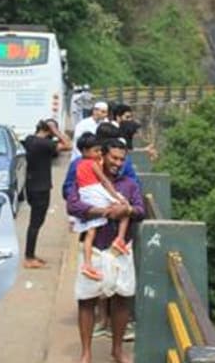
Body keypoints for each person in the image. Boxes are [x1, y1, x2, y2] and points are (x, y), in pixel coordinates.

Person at [67, 138, 144, 363]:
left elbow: (140, 210)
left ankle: (117, 350)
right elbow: (72, 205)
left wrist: (126, 209)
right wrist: (103, 211)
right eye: (114, 158)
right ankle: (86, 353)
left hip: (120, 249)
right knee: (86, 299)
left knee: (122, 298)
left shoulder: (129, 184)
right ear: (102, 156)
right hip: (93, 248)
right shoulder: (85, 180)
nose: (118, 163)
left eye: (122, 159)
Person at [69, 134, 131, 280]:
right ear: (85, 151)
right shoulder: (93, 164)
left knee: (90, 233)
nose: (98, 154)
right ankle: (120, 239)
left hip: (86, 194)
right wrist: (117, 198)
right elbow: (104, 181)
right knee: (125, 208)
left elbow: (73, 199)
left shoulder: (78, 165)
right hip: (95, 192)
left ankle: (87, 264)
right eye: (96, 151)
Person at [23, 118, 71, 269]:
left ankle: (30, 254)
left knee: (35, 223)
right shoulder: (44, 143)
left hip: (31, 185)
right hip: (41, 187)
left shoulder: (30, 140)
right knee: (36, 223)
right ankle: (29, 257)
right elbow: (68, 145)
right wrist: (56, 131)